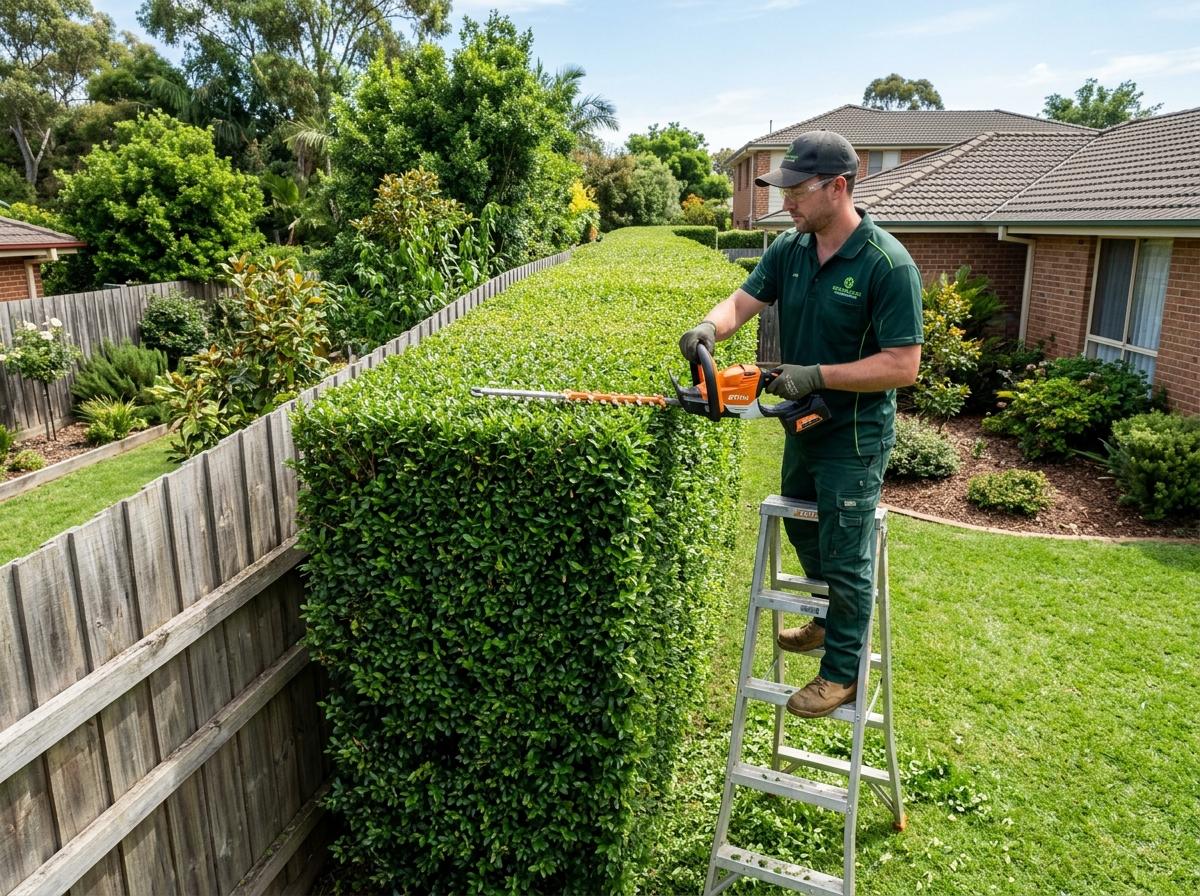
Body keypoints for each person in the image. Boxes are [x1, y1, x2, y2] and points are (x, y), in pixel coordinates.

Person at [679, 130, 923, 718]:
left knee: (847, 552)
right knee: (803, 525)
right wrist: (709, 328)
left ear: (837, 188)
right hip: (803, 426)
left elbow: (903, 365)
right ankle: (826, 616)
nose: (785, 201)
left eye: (796, 190)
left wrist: (817, 374)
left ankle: (842, 671)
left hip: (853, 437)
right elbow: (742, 301)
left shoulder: (887, 264)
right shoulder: (790, 249)